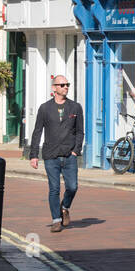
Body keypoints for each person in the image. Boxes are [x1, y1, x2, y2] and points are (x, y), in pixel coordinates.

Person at [29, 75, 83, 233]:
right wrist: (33, 155)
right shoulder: (44, 108)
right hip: (51, 155)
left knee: (72, 187)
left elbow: (80, 132)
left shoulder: (75, 107)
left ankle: (65, 207)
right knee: (54, 189)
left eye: (67, 84)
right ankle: (56, 220)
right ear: (54, 88)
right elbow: (37, 132)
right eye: (62, 85)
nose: (65, 87)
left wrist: (75, 151)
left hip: (69, 155)